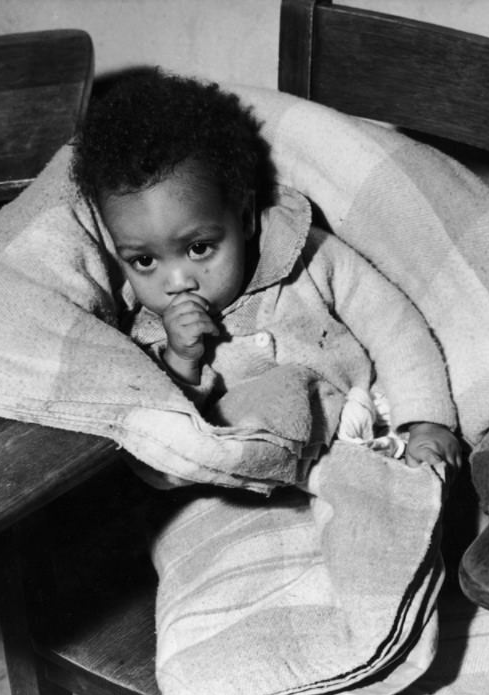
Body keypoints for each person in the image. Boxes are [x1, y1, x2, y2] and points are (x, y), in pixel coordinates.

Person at [70, 68, 461, 474]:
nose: (177, 282)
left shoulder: (306, 256)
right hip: (267, 474)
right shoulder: (150, 331)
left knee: (422, 485)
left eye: (199, 248)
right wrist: (182, 360)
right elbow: (170, 434)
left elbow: (393, 325)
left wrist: (425, 421)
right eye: (144, 261)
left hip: (368, 422)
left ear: (244, 219)